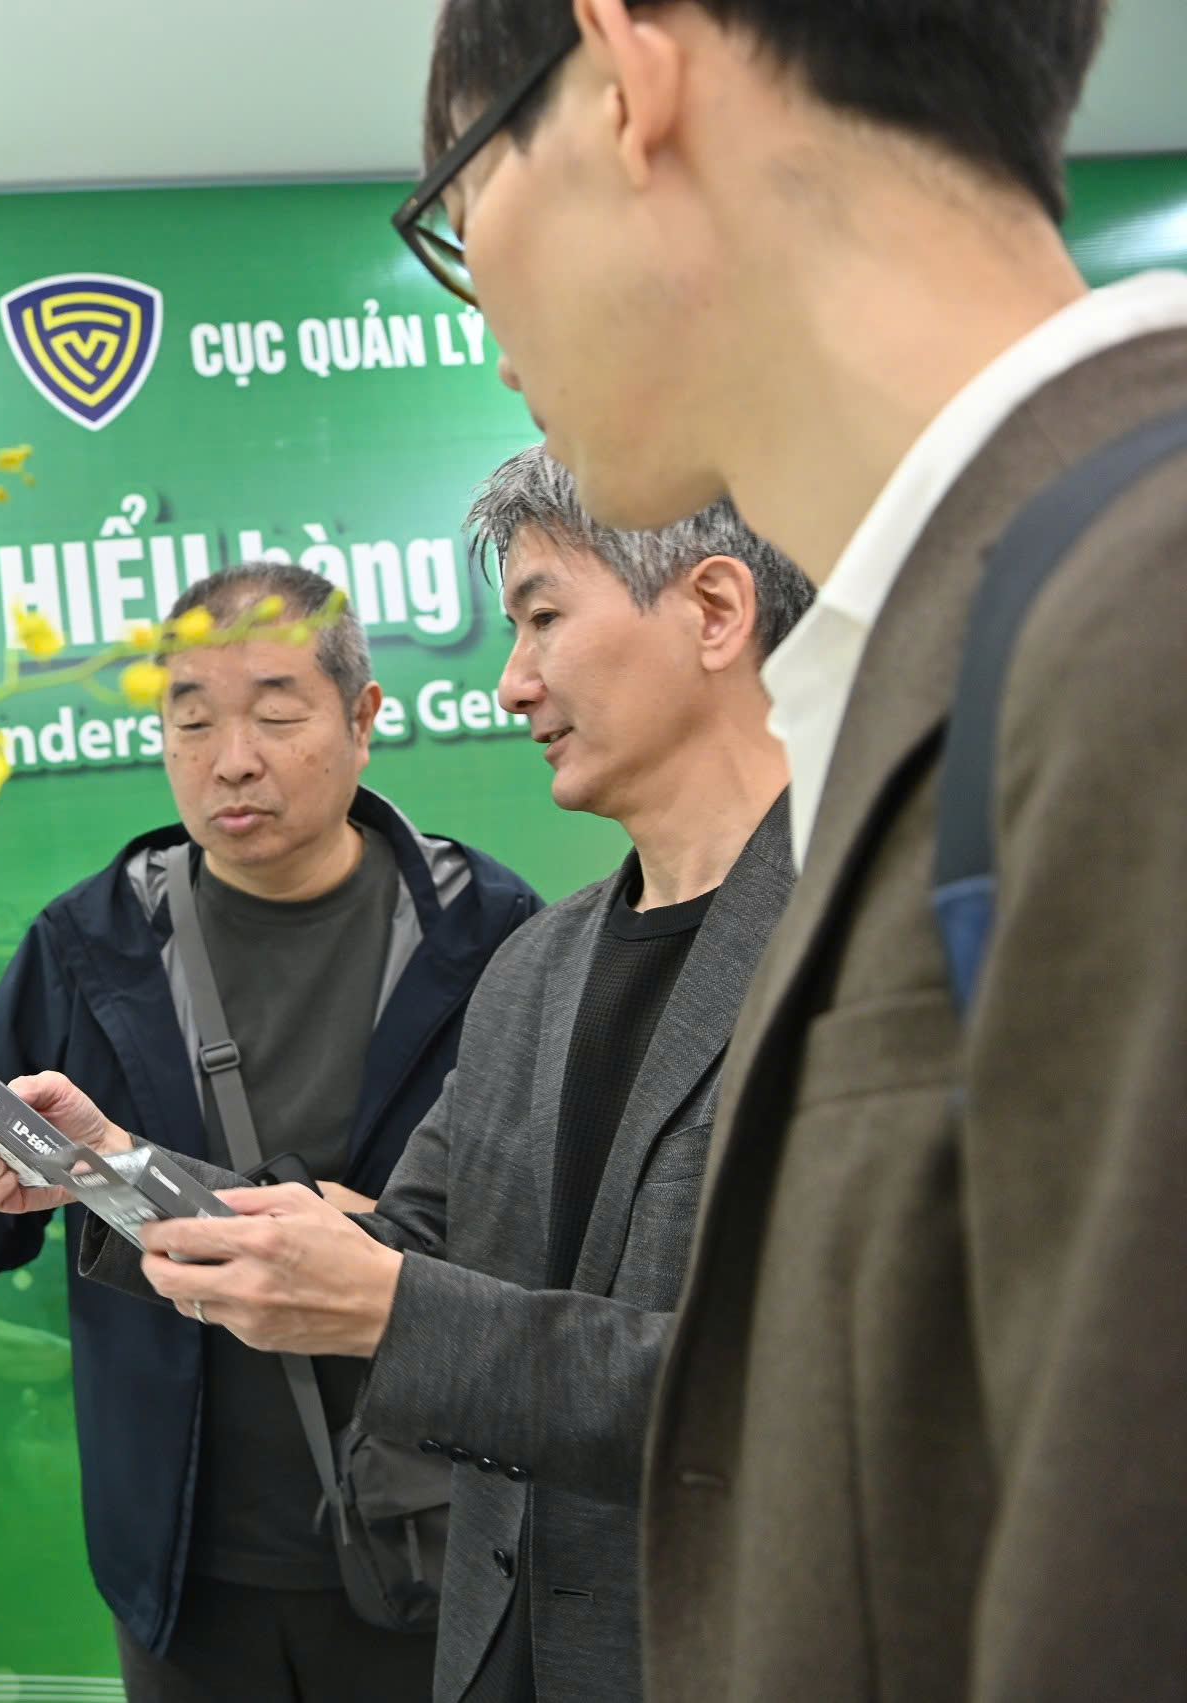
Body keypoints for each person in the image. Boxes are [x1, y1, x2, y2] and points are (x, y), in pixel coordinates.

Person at [403, 2, 1187, 1698]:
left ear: (627, 78)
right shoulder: (949, 664)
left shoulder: (1140, 626)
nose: (492, 333)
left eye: (462, 206)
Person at [0, 447, 814, 1703]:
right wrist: (114, 1167)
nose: (511, 680)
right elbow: (410, 1239)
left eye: (542, 617)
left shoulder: (869, 945)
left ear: (712, 610)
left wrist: (394, 1309)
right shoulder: (538, 967)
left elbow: (802, 1391)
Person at [0, 563, 541, 1702]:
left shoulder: (489, 932)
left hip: (437, 1532)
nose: (232, 759)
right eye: (193, 719)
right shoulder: (95, 940)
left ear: (363, 718)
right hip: (181, 1557)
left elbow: (527, 1231)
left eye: (276, 714)